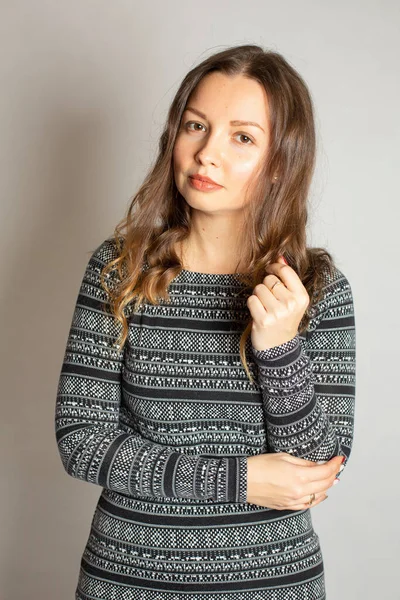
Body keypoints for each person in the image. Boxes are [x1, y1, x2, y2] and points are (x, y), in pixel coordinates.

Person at [55, 44, 356, 600]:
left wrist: (279, 347)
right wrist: (241, 480)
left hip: (269, 584)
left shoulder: (318, 289)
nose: (206, 154)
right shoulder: (119, 269)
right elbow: (82, 442)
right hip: (127, 581)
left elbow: (318, 468)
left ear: (279, 165)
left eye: (242, 137)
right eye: (196, 126)